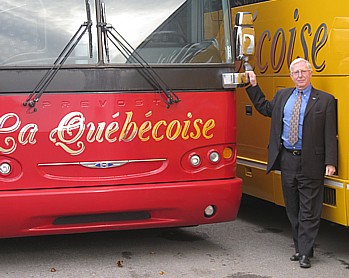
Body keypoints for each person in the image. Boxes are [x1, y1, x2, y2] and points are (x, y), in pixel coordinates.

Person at [245, 58, 337, 269]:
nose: (300, 76)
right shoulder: (283, 96)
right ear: (291, 76)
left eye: (303, 72)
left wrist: (330, 162)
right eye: (296, 73)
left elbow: (330, 134)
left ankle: (304, 253)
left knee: (309, 210)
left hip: (312, 161)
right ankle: (302, 246)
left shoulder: (325, 100)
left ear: (310, 73)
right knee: (292, 208)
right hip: (287, 159)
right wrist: (253, 86)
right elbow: (264, 108)